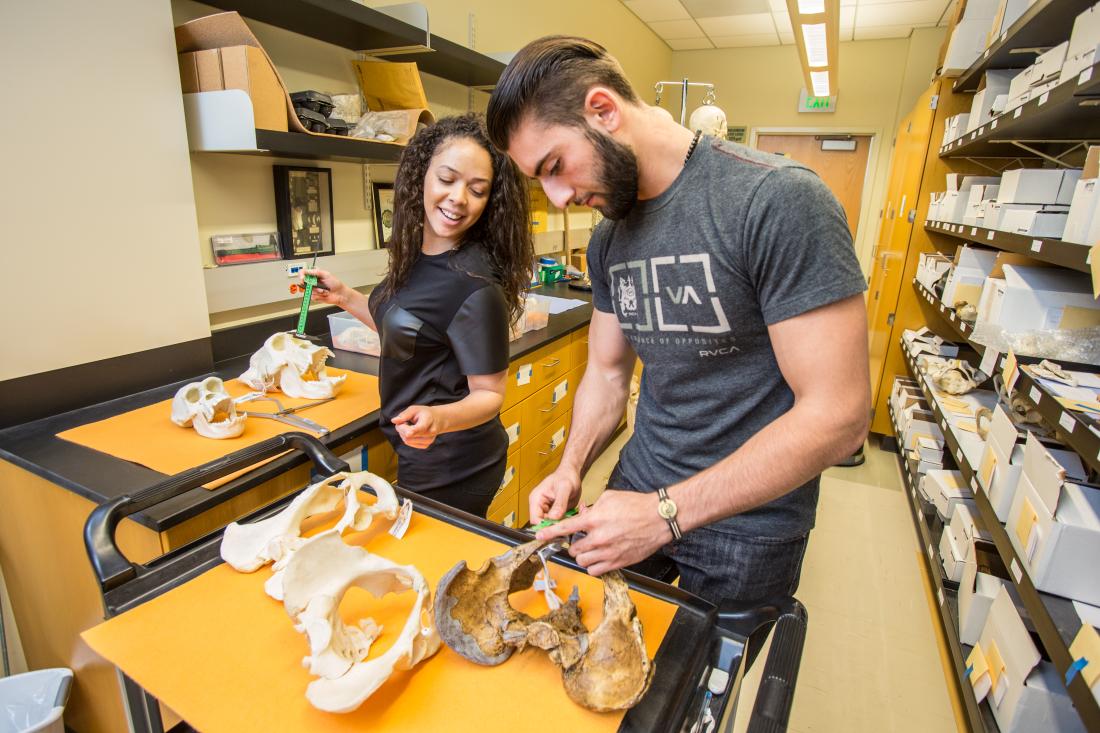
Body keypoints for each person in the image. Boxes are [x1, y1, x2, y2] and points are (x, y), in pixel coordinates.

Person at [485, 37, 870, 606]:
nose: (557, 196)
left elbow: (839, 416)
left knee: (693, 692)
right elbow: (608, 373)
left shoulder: (776, 201)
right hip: (638, 487)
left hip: (749, 524)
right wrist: (571, 467)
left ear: (603, 111)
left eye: (555, 167)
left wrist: (666, 514)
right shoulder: (610, 237)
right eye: (539, 180)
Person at [307, 114, 533, 516]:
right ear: (422, 177)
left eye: (477, 190)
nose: (459, 198)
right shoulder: (418, 255)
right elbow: (409, 331)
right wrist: (345, 297)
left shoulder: (474, 284)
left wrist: (438, 418)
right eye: (447, 179)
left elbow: (489, 395)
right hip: (416, 444)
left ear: (489, 201)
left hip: (453, 459)